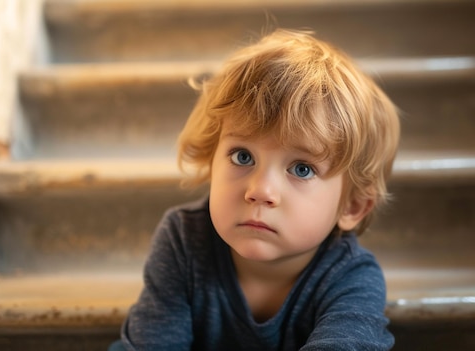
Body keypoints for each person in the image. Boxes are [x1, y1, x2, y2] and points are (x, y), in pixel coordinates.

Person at [113, 29, 400, 350]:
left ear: (352, 207)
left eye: (302, 169)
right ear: (211, 162)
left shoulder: (351, 277)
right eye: (243, 156)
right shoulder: (184, 240)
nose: (261, 190)